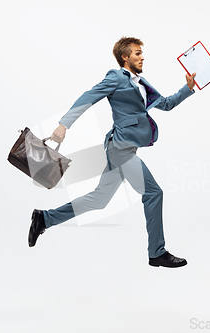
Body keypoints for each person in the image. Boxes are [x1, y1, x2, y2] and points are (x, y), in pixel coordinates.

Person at [28, 37, 196, 268]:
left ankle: (44, 218)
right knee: (153, 194)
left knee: (99, 199)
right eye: (137, 53)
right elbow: (88, 97)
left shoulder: (141, 82)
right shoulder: (116, 77)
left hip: (121, 147)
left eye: (142, 53)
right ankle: (157, 252)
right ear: (124, 57)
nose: (142, 57)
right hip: (122, 149)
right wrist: (63, 124)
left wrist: (187, 88)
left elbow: (165, 104)